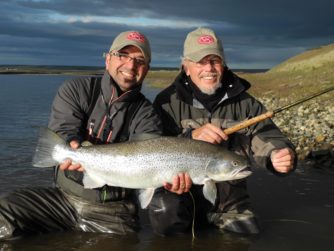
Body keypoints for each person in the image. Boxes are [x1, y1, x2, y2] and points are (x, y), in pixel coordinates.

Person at [0, 30, 163, 239]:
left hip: (112, 211)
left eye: (139, 60)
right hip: (61, 200)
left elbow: (150, 157)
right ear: (108, 59)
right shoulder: (76, 89)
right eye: (123, 55)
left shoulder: (148, 114)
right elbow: (64, 129)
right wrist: (72, 143)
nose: (130, 66)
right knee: (4, 212)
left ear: (147, 69)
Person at [151, 27, 297, 235]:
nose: (209, 68)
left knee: (245, 238)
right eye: (201, 61)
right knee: (166, 215)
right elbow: (152, 145)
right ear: (186, 66)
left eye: (215, 60)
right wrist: (190, 137)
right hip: (180, 195)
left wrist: (278, 153)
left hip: (231, 198)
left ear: (223, 63)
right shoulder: (166, 102)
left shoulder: (246, 103)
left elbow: (267, 135)